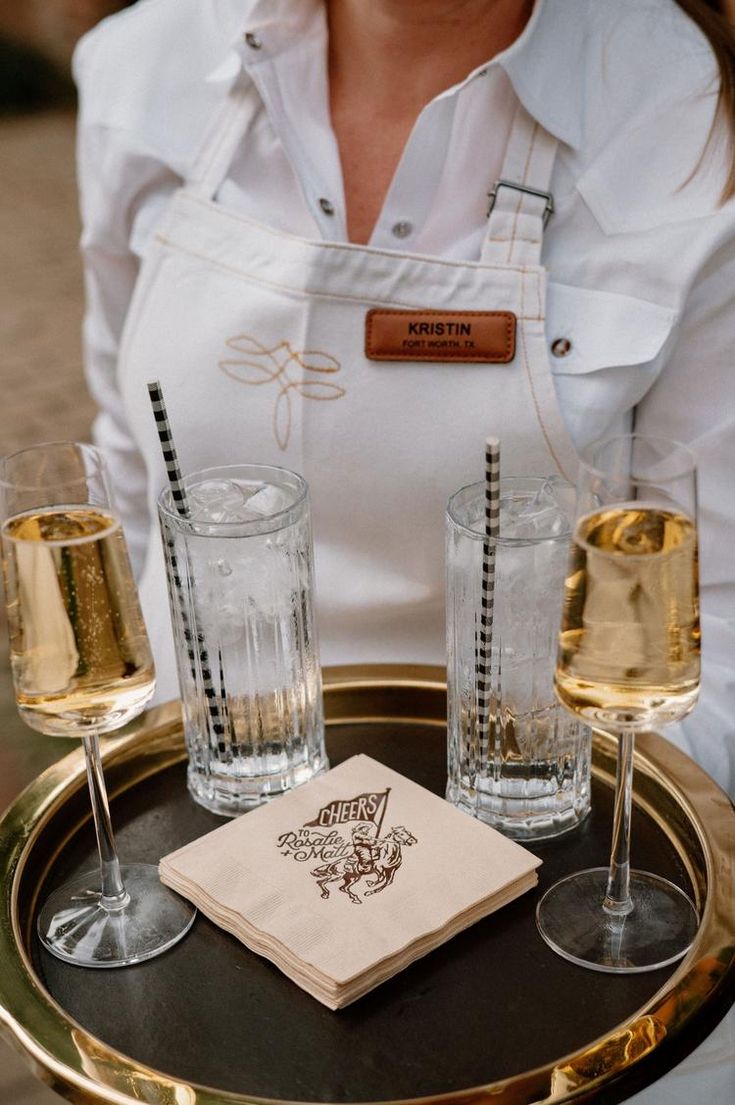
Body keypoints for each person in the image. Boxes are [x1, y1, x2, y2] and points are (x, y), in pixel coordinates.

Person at [73, 0, 734, 1098]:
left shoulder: (693, 124)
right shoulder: (138, 66)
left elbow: (721, 605)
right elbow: (130, 477)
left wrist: (584, 887)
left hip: (552, 912)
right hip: (193, 888)